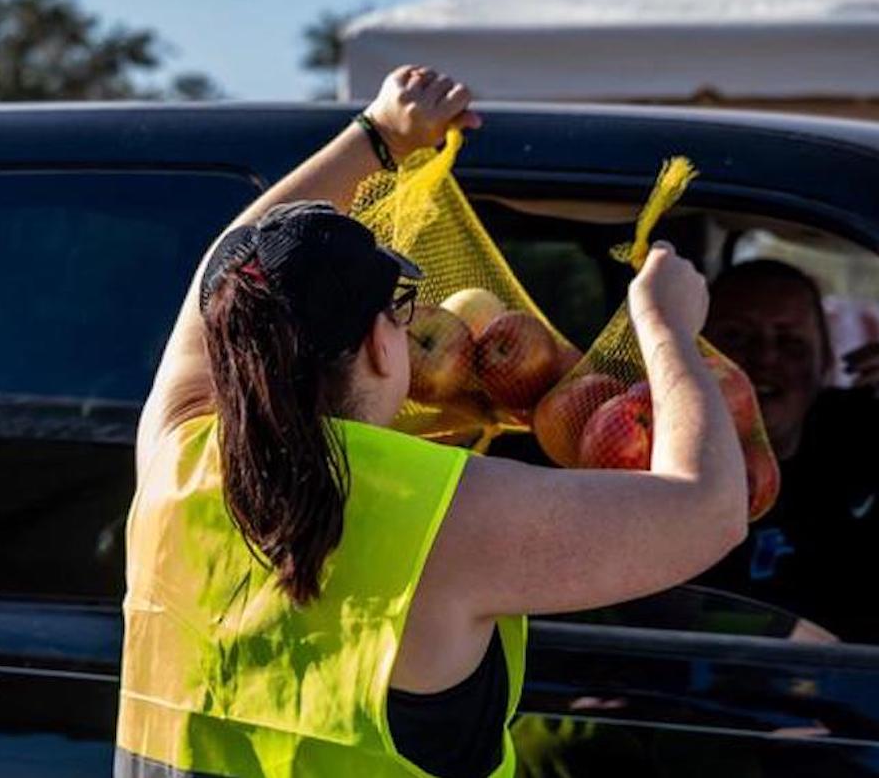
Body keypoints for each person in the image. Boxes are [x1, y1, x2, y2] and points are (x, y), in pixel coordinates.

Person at [116, 65, 747, 778]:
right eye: (398, 310)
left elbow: (223, 272)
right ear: (380, 345)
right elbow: (711, 508)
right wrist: (665, 327)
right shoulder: (441, 515)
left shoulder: (177, 457)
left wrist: (379, 135)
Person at [698, 259, 879, 642]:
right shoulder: (644, 455)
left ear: (826, 362)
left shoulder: (862, 435)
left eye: (791, 342)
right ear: (692, 354)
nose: (765, 358)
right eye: (736, 338)